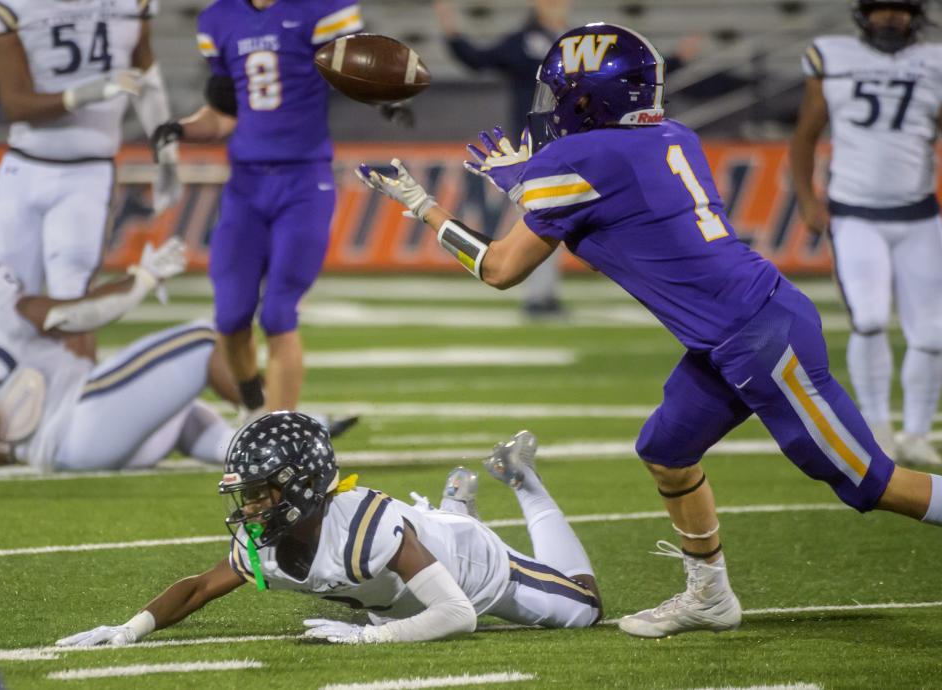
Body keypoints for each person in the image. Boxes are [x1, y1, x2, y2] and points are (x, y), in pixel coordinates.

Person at [355, 22, 942, 639]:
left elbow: (500, 268)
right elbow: (608, 187)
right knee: (667, 453)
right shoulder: (673, 135)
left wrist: (427, 209)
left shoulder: (576, 160)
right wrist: (530, 178)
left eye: (566, 96)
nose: (557, 108)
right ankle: (709, 596)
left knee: (869, 482)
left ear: (589, 100)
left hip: (762, 340)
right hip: (733, 333)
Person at [55, 415, 602, 647]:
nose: (252, 507)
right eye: (246, 493)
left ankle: (523, 483)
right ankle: (452, 508)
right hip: (410, 575)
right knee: (412, 564)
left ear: (303, 486)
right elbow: (198, 587)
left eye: (263, 491)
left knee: (585, 609)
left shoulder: (364, 527)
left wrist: (373, 636)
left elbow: (458, 616)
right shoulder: (264, 546)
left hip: (475, 572)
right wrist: (127, 630)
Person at [149, 0, 365, 418]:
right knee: (230, 316)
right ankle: (254, 409)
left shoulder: (319, 9)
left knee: (279, 312)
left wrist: (385, 97)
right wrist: (181, 128)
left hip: (304, 180)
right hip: (245, 186)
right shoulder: (218, 19)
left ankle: (282, 430)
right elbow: (224, 117)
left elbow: (357, 71)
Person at [0, 0, 181, 360]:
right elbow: (15, 104)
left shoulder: (132, 4)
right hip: (23, 171)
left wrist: (165, 152)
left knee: (74, 303)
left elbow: (146, 75)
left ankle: (77, 409)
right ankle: (6, 411)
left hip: (87, 175)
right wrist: (87, 92)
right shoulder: (16, 7)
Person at [790, 0, 942, 466]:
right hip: (855, 212)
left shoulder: (935, 60)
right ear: (863, 14)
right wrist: (808, 197)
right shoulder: (832, 55)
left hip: (919, 214)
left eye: (898, 9)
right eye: (880, 9)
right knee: (870, 318)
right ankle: (877, 424)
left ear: (915, 14)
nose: (889, 18)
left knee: (933, 334)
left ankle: (917, 432)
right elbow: (806, 135)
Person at [0, 238, 237, 472]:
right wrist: (144, 278)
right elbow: (74, 315)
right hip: (84, 419)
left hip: (61, 455)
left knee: (178, 409)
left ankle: (241, 449)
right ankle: (265, 413)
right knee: (206, 338)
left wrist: (17, 449)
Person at [433, 0, 571, 318]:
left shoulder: (572, 42)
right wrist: (450, 28)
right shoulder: (523, 43)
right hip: (537, 145)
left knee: (558, 219)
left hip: (572, 143)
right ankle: (539, 295)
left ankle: (544, 293)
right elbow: (477, 59)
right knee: (543, 218)